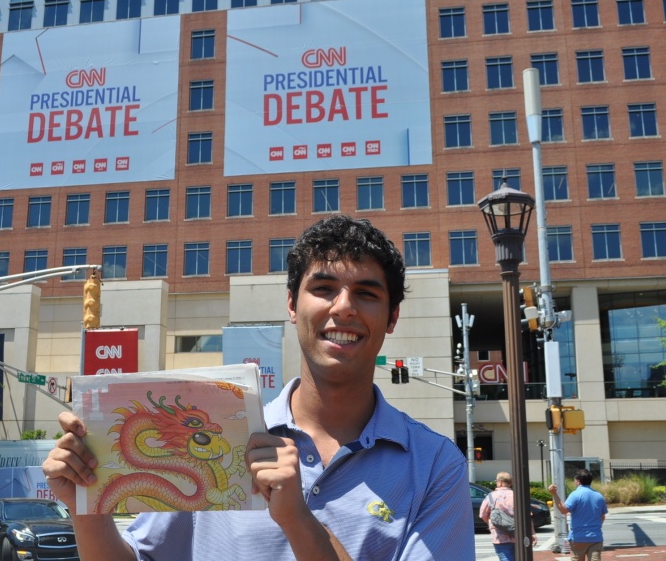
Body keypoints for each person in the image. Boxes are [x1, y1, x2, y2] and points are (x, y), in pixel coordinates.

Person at [42, 214, 474, 560]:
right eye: (323, 288)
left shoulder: (436, 466)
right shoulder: (217, 437)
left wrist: (298, 520)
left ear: (392, 317)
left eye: (366, 293)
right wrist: (88, 506)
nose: (342, 307)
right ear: (291, 304)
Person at [548, 469, 608, 561]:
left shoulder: (575, 494)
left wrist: (554, 494)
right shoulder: (599, 496)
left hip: (578, 537)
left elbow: (563, 510)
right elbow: (602, 517)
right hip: (595, 537)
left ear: (578, 481)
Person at [479, 471, 537, 561]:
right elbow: (527, 516)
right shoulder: (518, 496)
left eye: (496, 480)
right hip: (518, 535)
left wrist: (491, 522)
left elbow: (483, 515)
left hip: (499, 537)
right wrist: (532, 533)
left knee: (505, 558)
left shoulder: (491, 497)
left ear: (500, 482)